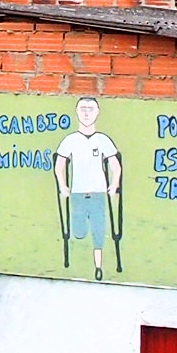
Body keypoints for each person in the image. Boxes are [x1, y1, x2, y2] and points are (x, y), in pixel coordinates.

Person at [52, 97, 123, 281]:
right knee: (79, 232)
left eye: (90, 109)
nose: (86, 113)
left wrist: (114, 184)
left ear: (97, 112)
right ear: (77, 112)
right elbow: (59, 165)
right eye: (82, 109)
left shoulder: (102, 140)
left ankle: (98, 266)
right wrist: (63, 186)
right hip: (78, 193)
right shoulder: (70, 140)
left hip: (98, 193)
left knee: (99, 232)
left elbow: (115, 165)